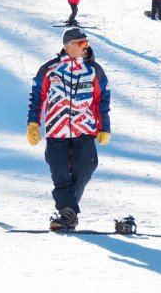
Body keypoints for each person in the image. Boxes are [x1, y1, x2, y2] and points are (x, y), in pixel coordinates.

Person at [26, 28, 112, 232]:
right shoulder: (50, 69)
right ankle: (67, 214)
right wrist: (33, 124)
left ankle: (67, 212)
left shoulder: (94, 70)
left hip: (85, 129)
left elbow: (103, 100)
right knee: (60, 173)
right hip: (57, 130)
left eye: (87, 43)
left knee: (86, 168)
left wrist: (104, 127)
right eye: (82, 43)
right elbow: (37, 96)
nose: (86, 47)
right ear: (68, 46)